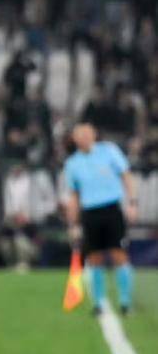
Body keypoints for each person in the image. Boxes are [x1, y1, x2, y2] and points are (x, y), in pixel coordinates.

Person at [62, 123, 137, 315]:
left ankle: (125, 302)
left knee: (119, 254)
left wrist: (132, 202)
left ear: (94, 134)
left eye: (87, 133)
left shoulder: (109, 151)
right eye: (80, 135)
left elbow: (126, 176)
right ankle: (98, 303)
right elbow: (74, 195)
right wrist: (73, 223)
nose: (84, 137)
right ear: (74, 139)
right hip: (90, 213)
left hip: (112, 209)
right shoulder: (72, 163)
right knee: (94, 259)